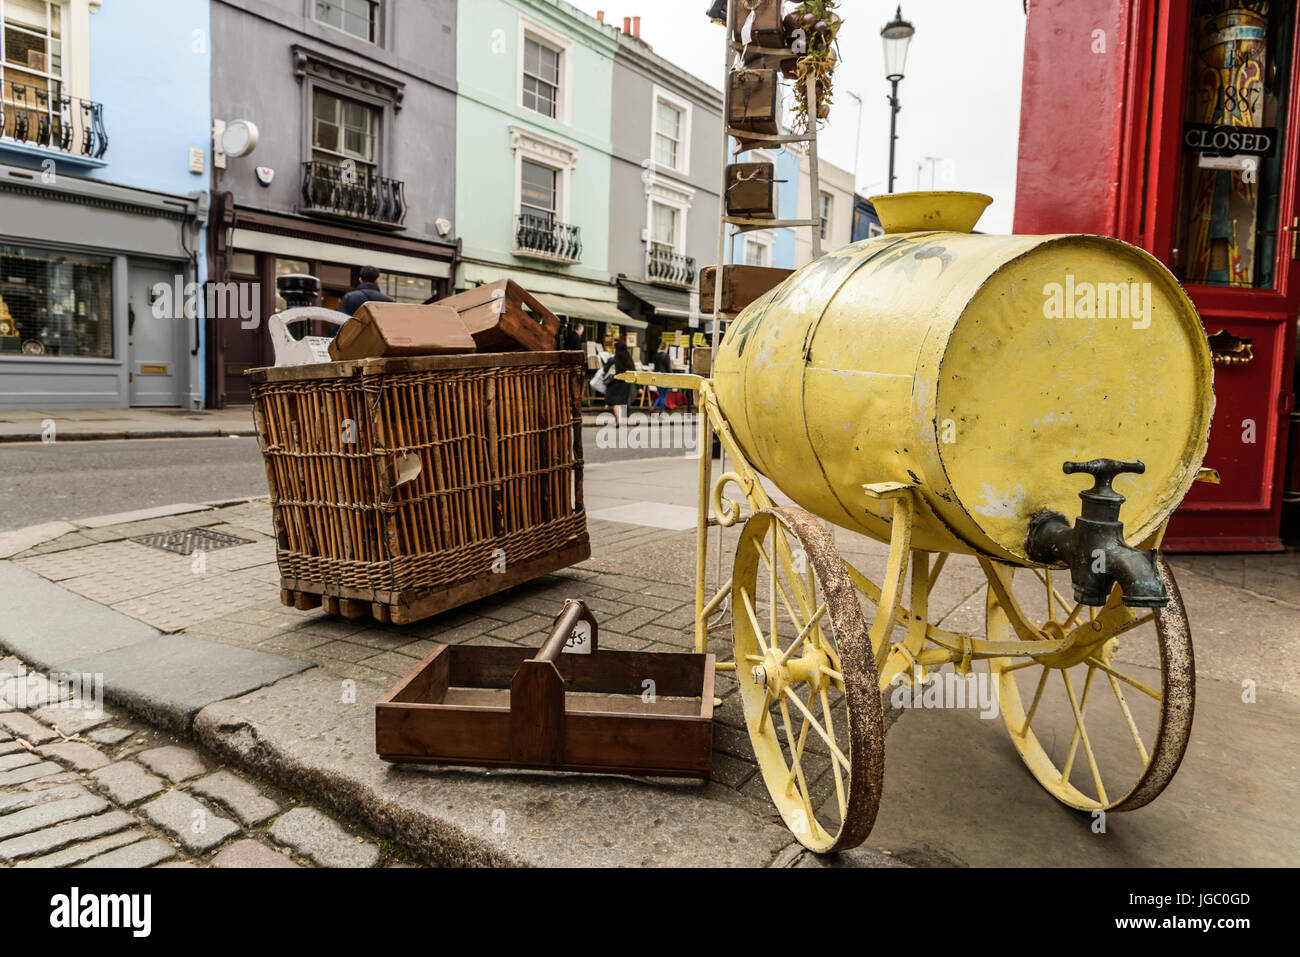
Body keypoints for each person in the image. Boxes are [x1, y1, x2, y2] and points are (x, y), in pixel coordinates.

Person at [603, 340, 636, 424]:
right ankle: (624, 419)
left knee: (616, 402)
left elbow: (605, 369)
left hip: (615, 383)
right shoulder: (629, 360)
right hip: (626, 384)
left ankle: (618, 420)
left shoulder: (613, 359)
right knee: (624, 401)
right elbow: (634, 372)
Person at [651, 341, 673, 412]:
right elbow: (668, 368)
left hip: (657, 377)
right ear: (666, 347)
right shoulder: (667, 356)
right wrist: (672, 376)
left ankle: (654, 407)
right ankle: (660, 412)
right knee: (663, 396)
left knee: (661, 394)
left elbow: (655, 367)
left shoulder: (656, 355)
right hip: (664, 377)